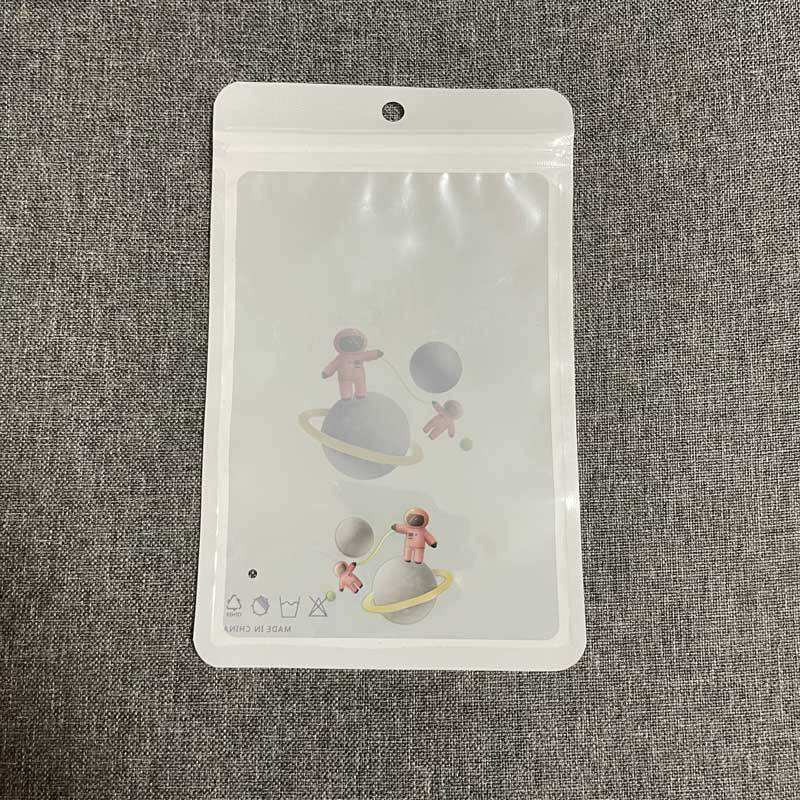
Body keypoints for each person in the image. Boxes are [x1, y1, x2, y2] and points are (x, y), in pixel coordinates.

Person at [321, 328, 383, 400]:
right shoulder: (341, 357)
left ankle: (360, 394)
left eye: (355, 340)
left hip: (355, 376)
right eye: (347, 342)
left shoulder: (359, 355)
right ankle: (347, 396)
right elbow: (332, 365)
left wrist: (376, 353)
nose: (351, 343)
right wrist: (326, 372)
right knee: (347, 385)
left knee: (359, 384)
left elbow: (369, 354)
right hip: (347, 377)